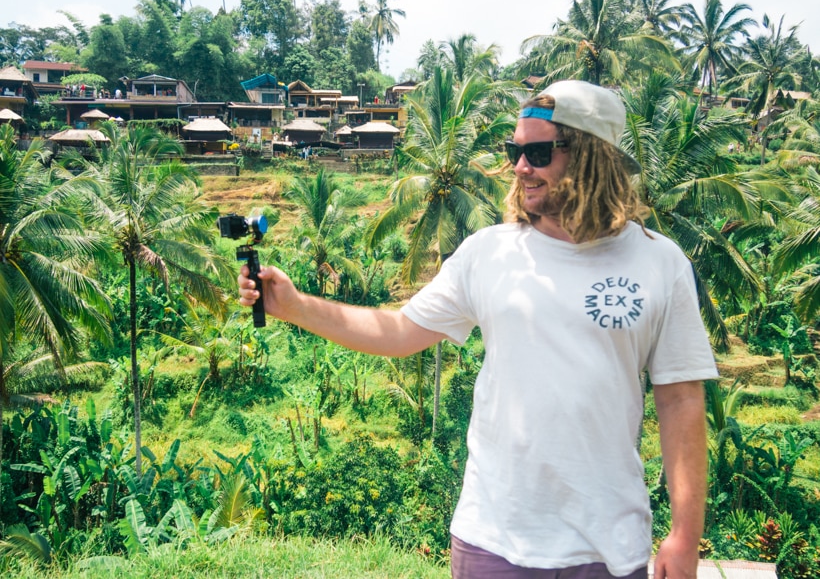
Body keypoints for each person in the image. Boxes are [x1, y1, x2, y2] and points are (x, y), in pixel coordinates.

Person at [237, 80, 717, 579]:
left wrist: (685, 536)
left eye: (537, 151)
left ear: (593, 157)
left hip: (609, 549)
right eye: (515, 150)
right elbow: (399, 331)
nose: (520, 166)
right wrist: (293, 306)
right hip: (494, 542)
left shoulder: (659, 262)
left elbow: (681, 400)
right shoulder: (489, 253)